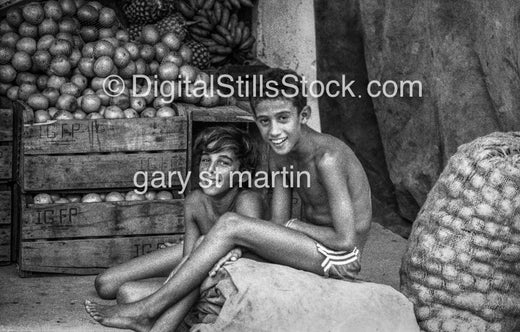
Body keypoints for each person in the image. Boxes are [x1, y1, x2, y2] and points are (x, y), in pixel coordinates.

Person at [85, 68, 373, 332]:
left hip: (340, 257)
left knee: (231, 224)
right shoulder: (279, 153)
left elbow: (345, 240)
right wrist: (246, 245)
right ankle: (153, 318)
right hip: (306, 247)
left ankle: (149, 310)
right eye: (264, 121)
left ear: (305, 114)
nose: (273, 131)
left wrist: (289, 225)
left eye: (283, 118)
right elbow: (275, 226)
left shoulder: (328, 159)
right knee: (135, 283)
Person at [90, 125, 263, 326]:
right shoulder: (195, 200)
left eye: (223, 163)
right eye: (206, 160)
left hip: (226, 267)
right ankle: (153, 308)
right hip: (199, 260)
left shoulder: (248, 200)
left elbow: (250, 258)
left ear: (241, 173)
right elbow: (189, 259)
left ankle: (149, 313)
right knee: (105, 283)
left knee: (127, 294)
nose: (211, 170)